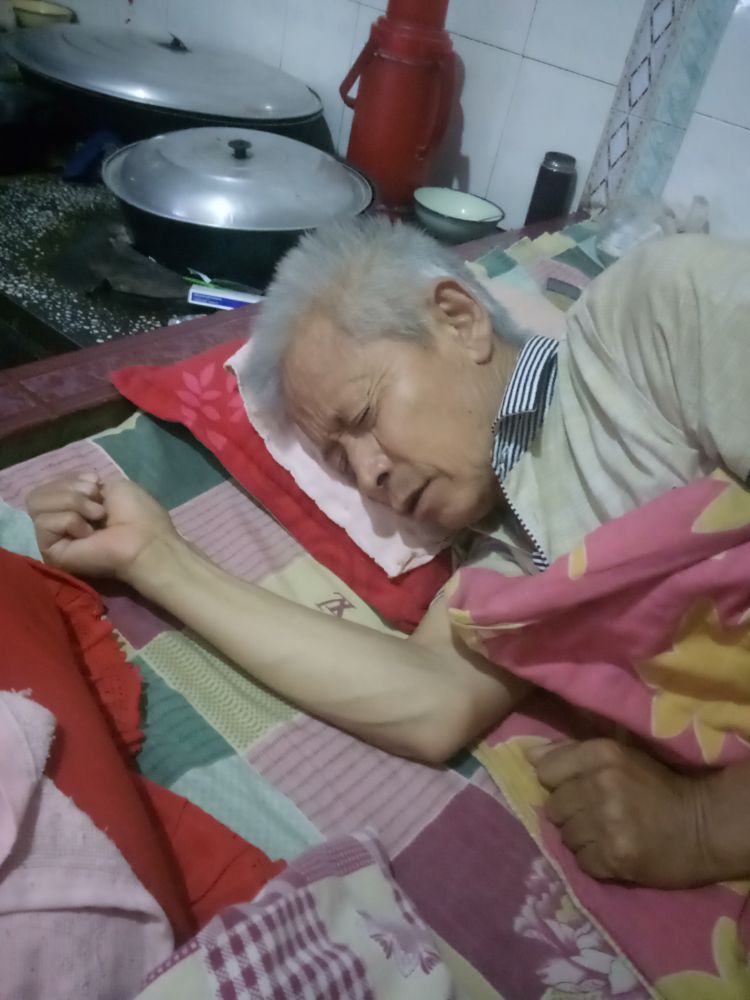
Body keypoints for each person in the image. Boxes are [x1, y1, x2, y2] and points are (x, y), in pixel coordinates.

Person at [25, 219, 750, 891]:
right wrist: (154, 556)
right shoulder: (504, 557)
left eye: (366, 417)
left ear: (459, 319)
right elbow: (430, 699)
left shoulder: (653, 319)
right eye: (340, 461)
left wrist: (704, 825)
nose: (369, 475)